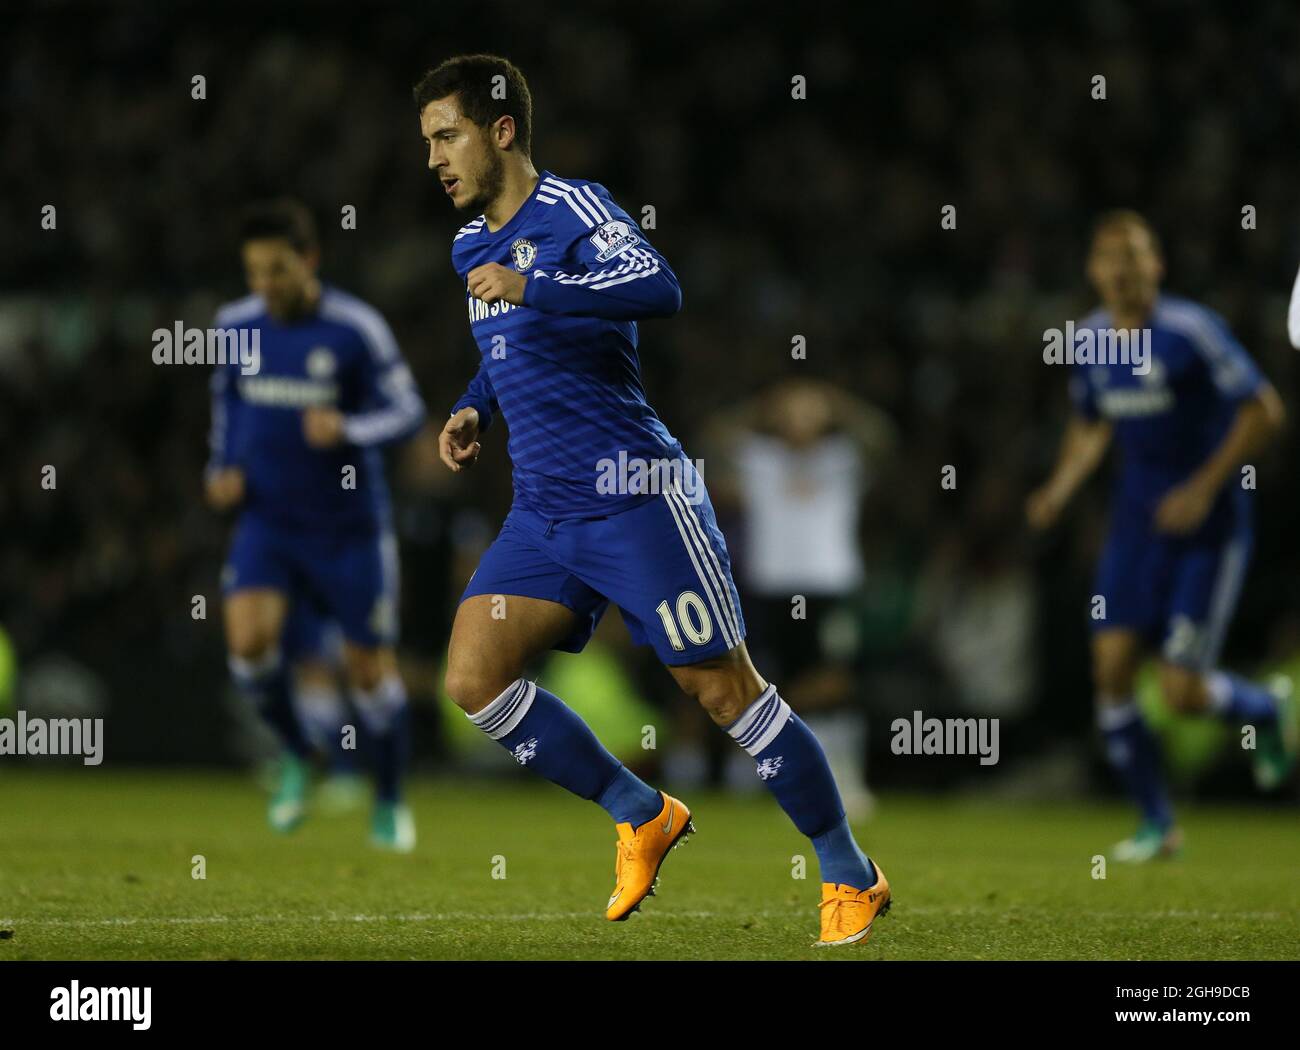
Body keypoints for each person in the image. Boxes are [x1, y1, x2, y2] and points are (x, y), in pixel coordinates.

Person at [416, 53, 889, 945]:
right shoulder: (467, 243)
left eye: (448, 136)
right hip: (543, 511)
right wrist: (473, 405)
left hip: (637, 496)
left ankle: (847, 872)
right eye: (429, 143)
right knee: (473, 680)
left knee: (723, 694)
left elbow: (659, 288)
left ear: (502, 129)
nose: (435, 159)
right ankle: (641, 811)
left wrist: (535, 283)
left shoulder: (576, 211)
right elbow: (508, 344)